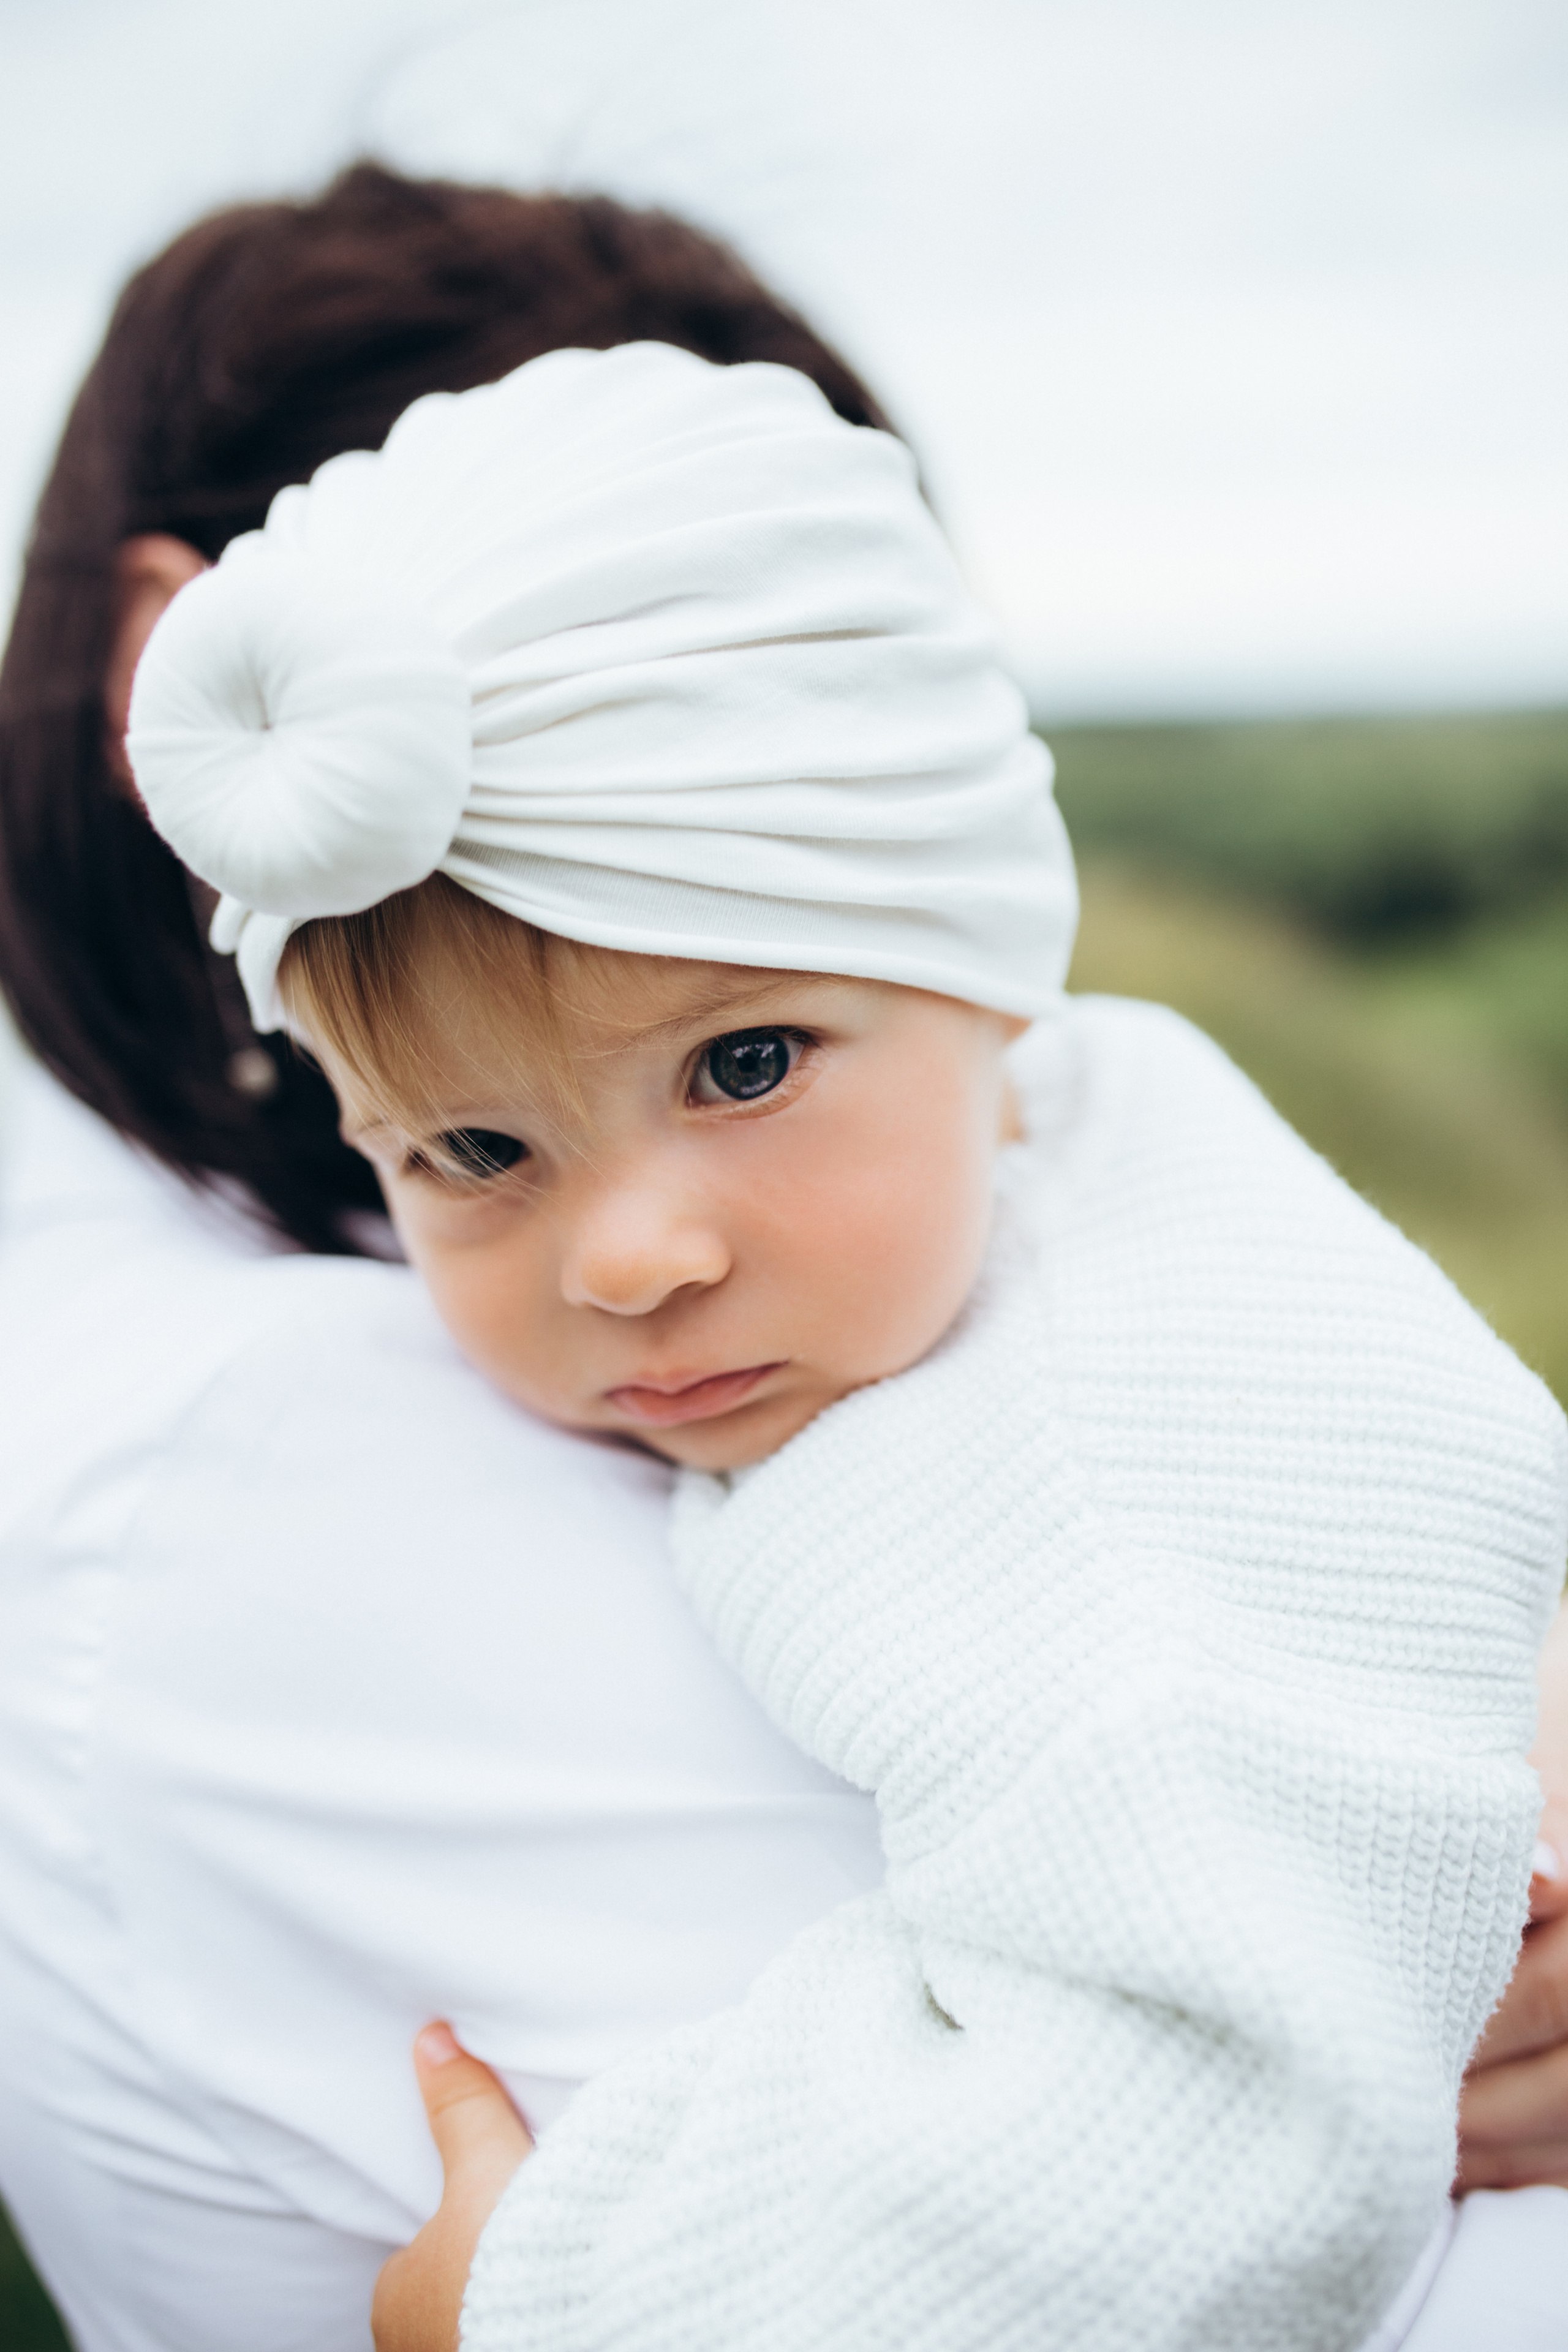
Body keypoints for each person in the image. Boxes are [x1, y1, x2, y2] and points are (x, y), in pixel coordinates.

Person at [0, 161, 1564, 2352]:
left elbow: (1173, 2160)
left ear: (974, 957)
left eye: (743, 1061)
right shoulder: (236, 1451)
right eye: (469, 1147)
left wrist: (555, 2298)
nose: (629, 1258)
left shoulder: (1102, 1443)